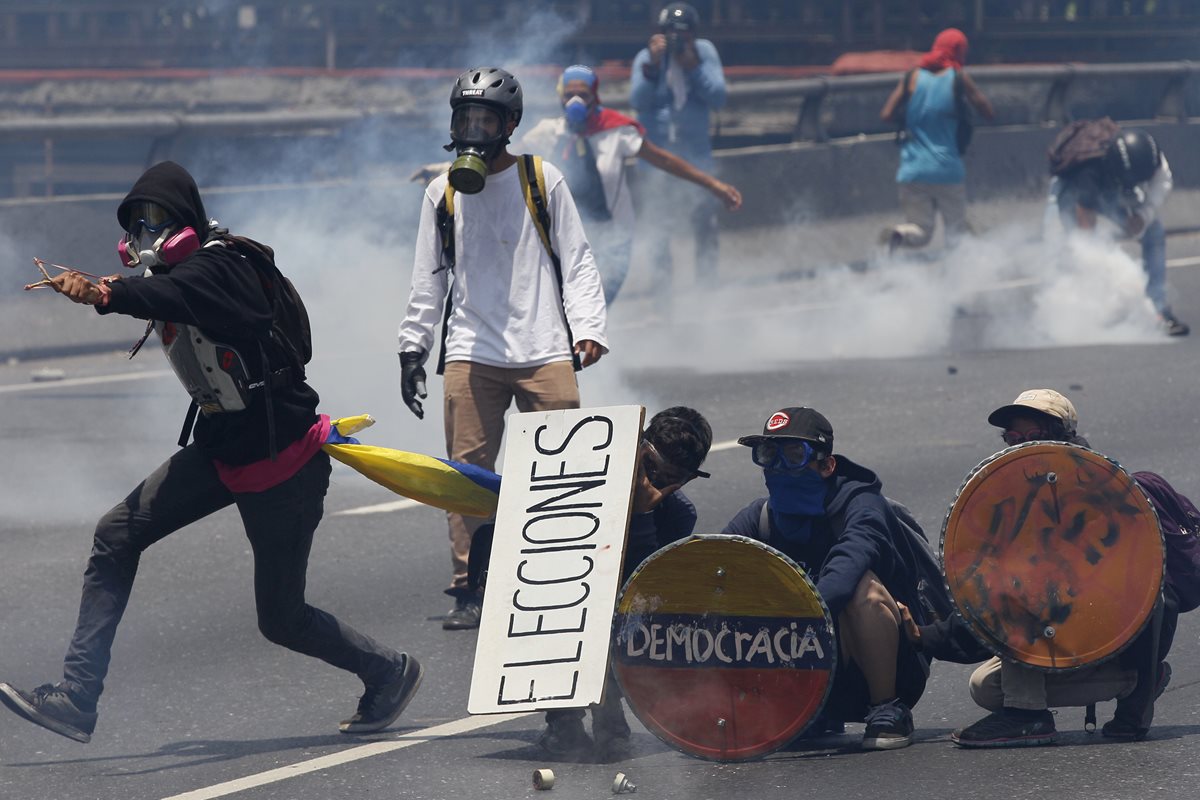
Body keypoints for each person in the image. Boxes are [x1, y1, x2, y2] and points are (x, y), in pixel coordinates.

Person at [0, 161, 421, 744]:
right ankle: (76, 697)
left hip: (284, 464)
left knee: (282, 620)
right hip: (223, 450)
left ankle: (388, 670)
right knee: (115, 534)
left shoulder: (227, 266)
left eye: (155, 220)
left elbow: (180, 291)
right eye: (135, 224)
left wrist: (104, 291)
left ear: (186, 223)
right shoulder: (178, 275)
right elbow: (167, 293)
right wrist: (118, 289)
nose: (143, 235)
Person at [398, 67, 608, 632]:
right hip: (471, 350)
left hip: (544, 348)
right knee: (466, 478)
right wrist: (412, 348)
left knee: (565, 470)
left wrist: (588, 327)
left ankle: (565, 572)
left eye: (485, 118)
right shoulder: (441, 191)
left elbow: (578, 260)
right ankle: (471, 589)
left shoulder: (542, 180)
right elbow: (428, 279)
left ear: (509, 124)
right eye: (465, 117)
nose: (473, 129)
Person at [902, 389, 1177, 747]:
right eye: (1012, 439)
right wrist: (930, 636)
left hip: (1102, 631)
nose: (1019, 448)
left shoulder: (1104, 496)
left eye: (1032, 438)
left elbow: (1148, 594)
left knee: (1027, 583)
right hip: (1054, 635)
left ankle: (1030, 715)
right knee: (986, 687)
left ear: (1064, 438)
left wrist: (1135, 711)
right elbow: (983, 595)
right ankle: (1129, 681)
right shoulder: (1015, 502)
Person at [721, 407, 931, 750]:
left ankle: (888, 708)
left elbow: (845, 571)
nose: (779, 468)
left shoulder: (862, 506)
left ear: (827, 464)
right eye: (768, 455)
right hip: (806, 662)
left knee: (861, 589)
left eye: (793, 455)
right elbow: (710, 570)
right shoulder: (759, 517)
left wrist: (787, 621)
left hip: (889, 664)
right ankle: (812, 709)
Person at [533, 406, 712, 761]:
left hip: (622, 608)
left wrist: (643, 514)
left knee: (616, 615)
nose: (658, 481)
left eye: (675, 478)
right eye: (653, 467)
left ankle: (611, 724)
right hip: (565, 590)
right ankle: (563, 721)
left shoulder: (677, 513)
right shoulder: (587, 479)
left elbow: (643, 583)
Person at [520, 65, 742, 303]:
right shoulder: (547, 133)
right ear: (560, 96)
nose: (576, 100)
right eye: (568, 94)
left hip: (614, 238)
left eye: (583, 94)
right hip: (564, 240)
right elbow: (510, 161)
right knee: (566, 315)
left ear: (595, 96)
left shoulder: (617, 130)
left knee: (594, 309)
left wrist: (713, 185)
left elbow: (664, 159)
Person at [1049, 127, 1189, 336]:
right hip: (1069, 194)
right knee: (1070, 248)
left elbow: (1162, 184)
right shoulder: (1089, 171)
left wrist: (1142, 216)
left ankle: (1158, 309)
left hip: (1114, 192)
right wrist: (1097, 259)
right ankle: (1067, 310)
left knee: (1153, 232)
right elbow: (1085, 234)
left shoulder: (1151, 158)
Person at [629, 2, 728, 294]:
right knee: (659, 231)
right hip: (657, 162)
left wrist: (693, 67)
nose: (676, 38)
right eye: (670, 32)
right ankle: (662, 297)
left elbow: (719, 97)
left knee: (705, 227)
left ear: (693, 34)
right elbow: (637, 101)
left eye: (683, 33)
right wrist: (653, 67)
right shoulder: (646, 58)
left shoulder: (704, 53)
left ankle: (707, 291)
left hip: (697, 159)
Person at [878, 28, 995, 252]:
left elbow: (886, 114)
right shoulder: (959, 78)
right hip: (947, 169)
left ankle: (899, 234)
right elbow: (987, 111)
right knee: (956, 233)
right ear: (958, 51)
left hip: (912, 169)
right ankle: (955, 280)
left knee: (920, 230)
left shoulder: (912, 76)